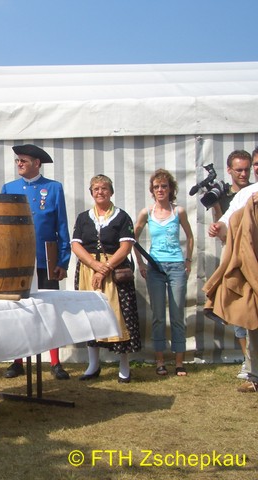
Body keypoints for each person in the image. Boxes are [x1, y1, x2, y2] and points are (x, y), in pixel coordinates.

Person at [1, 144, 72, 380]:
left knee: (50, 311)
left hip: (45, 259)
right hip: (18, 260)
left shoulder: (53, 188)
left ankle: (55, 361)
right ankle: (18, 360)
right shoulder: (9, 188)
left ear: (37, 163)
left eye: (24, 160)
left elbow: (62, 225)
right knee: (18, 310)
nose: (19, 164)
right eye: (17, 160)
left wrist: (63, 260)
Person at [71, 174, 141, 382]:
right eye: (96, 189)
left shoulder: (121, 217)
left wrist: (105, 269)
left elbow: (126, 246)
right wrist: (94, 265)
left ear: (111, 192)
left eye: (104, 188)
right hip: (88, 270)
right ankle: (93, 364)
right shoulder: (83, 218)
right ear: (91, 193)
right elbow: (76, 245)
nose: (100, 192)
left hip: (115, 270)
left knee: (119, 316)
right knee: (90, 316)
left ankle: (124, 365)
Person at [134, 169, 194, 376]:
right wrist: (140, 263)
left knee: (177, 315)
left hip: (176, 266)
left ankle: (179, 361)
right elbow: (132, 238)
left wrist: (188, 260)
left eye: (164, 186)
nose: (160, 190)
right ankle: (159, 361)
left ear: (170, 189)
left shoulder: (179, 211)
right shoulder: (147, 213)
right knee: (158, 315)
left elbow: (190, 236)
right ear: (152, 190)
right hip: (155, 268)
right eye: (156, 187)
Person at [208, 148, 258, 392]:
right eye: (256, 164)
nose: (255, 169)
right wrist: (219, 227)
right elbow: (229, 222)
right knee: (253, 323)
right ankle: (255, 376)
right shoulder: (246, 194)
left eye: (253, 166)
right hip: (252, 266)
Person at [210, 150, 252, 222]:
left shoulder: (255, 191)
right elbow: (219, 226)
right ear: (229, 170)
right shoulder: (222, 195)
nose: (244, 174)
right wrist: (216, 206)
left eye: (247, 170)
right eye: (239, 170)